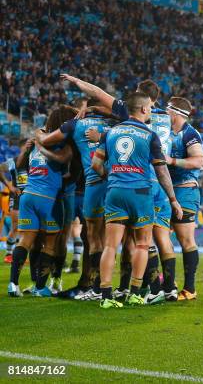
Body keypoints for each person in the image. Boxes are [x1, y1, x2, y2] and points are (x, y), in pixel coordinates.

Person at [91, 92, 182, 309]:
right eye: (149, 107)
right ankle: (134, 293)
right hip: (140, 193)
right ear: (142, 109)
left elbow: (95, 164)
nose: (150, 110)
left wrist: (111, 176)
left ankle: (105, 295)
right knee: (142, 244)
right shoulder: (150, 135)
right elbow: (161, 172)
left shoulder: (111, 132)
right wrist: (173, 199)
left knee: (111, 245)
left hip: (115, 192)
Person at [36, 97, 115, 300]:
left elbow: (62, 158)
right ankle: (93, 282)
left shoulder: (72, 131)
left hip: (81, 189)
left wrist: (40, 140)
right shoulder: (103, 128)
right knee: (94, 236)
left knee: (88, 237)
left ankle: (90, 283)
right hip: (94, 186)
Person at [8, 106, 75, 297]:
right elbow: (63, 161)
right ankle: (40, 287)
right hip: (49, 199)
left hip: (28, 195)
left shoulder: (38, 136)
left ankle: (13, 284)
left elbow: (19, 165)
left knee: (25, 240)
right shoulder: (63, 144)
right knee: (51, 243)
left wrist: (33, 149)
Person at [165, 97, 203, 300]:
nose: (164, 112)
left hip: (185, 191)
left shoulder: (189, 134)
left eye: (167, 109)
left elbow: (198, 160)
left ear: (176, 112)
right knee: (162, 237)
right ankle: (168, 284)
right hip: (165, 191)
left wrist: (172, 161)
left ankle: (190, 289)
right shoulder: (165, 132)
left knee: (185, 239)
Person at [0, 139, 27, 264]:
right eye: (26, 147)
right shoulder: (13, 162)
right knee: (16, 226)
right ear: (21, 148)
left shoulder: (35, 162)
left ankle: (23, 254)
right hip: (16, 197)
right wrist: (9, 186)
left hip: (30, 197)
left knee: (28, 228)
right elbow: (0, 169)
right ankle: (9, 253)